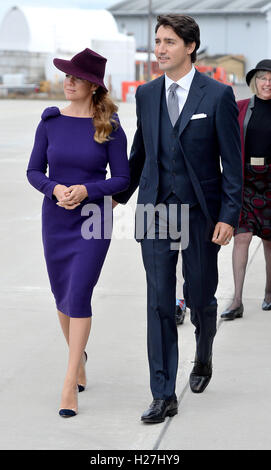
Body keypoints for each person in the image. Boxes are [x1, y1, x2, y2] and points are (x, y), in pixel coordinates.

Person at [113, 14, 242, 424]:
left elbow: (232, 166)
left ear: (190, 46)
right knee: (159, 302)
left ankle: (202, 356)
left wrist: (229, 215)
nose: (160, 49)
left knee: (202, 296)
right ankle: (163, 392)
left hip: (201, 212)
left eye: (169, 41)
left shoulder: (218, 95)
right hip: (155, 208)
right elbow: (141, 151)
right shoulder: (147, 95)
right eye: (157, 41)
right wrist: (117, 195)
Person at [27, 48, 130, 417]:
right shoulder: (50, 122)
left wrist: (88, 190)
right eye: (66, 77)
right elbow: (34, 171)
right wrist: (54, 189)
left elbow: (122, 178)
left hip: (93, 219)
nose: (67, 82)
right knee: (61, 294)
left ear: (92, 85)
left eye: (75, 78)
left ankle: (69, 383)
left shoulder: (111, 127)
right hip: (55, 218)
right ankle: (79, 359)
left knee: (79, 292)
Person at [221, 60, 271, 320]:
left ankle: (269, 293)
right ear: (255, 81)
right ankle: (237, 299)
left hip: (270, 182)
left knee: (269, 242)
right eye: (263, 78)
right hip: (246, 179)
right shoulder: (241, 108)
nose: (267, 83)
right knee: (241, 237)